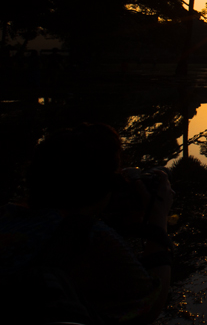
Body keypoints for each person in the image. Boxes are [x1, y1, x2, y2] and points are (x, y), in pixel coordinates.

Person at [0, 123, 174, 324]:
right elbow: (148, 307)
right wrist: (158, 218)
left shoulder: (7, 214)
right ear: (104, 182)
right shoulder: (91, 237)